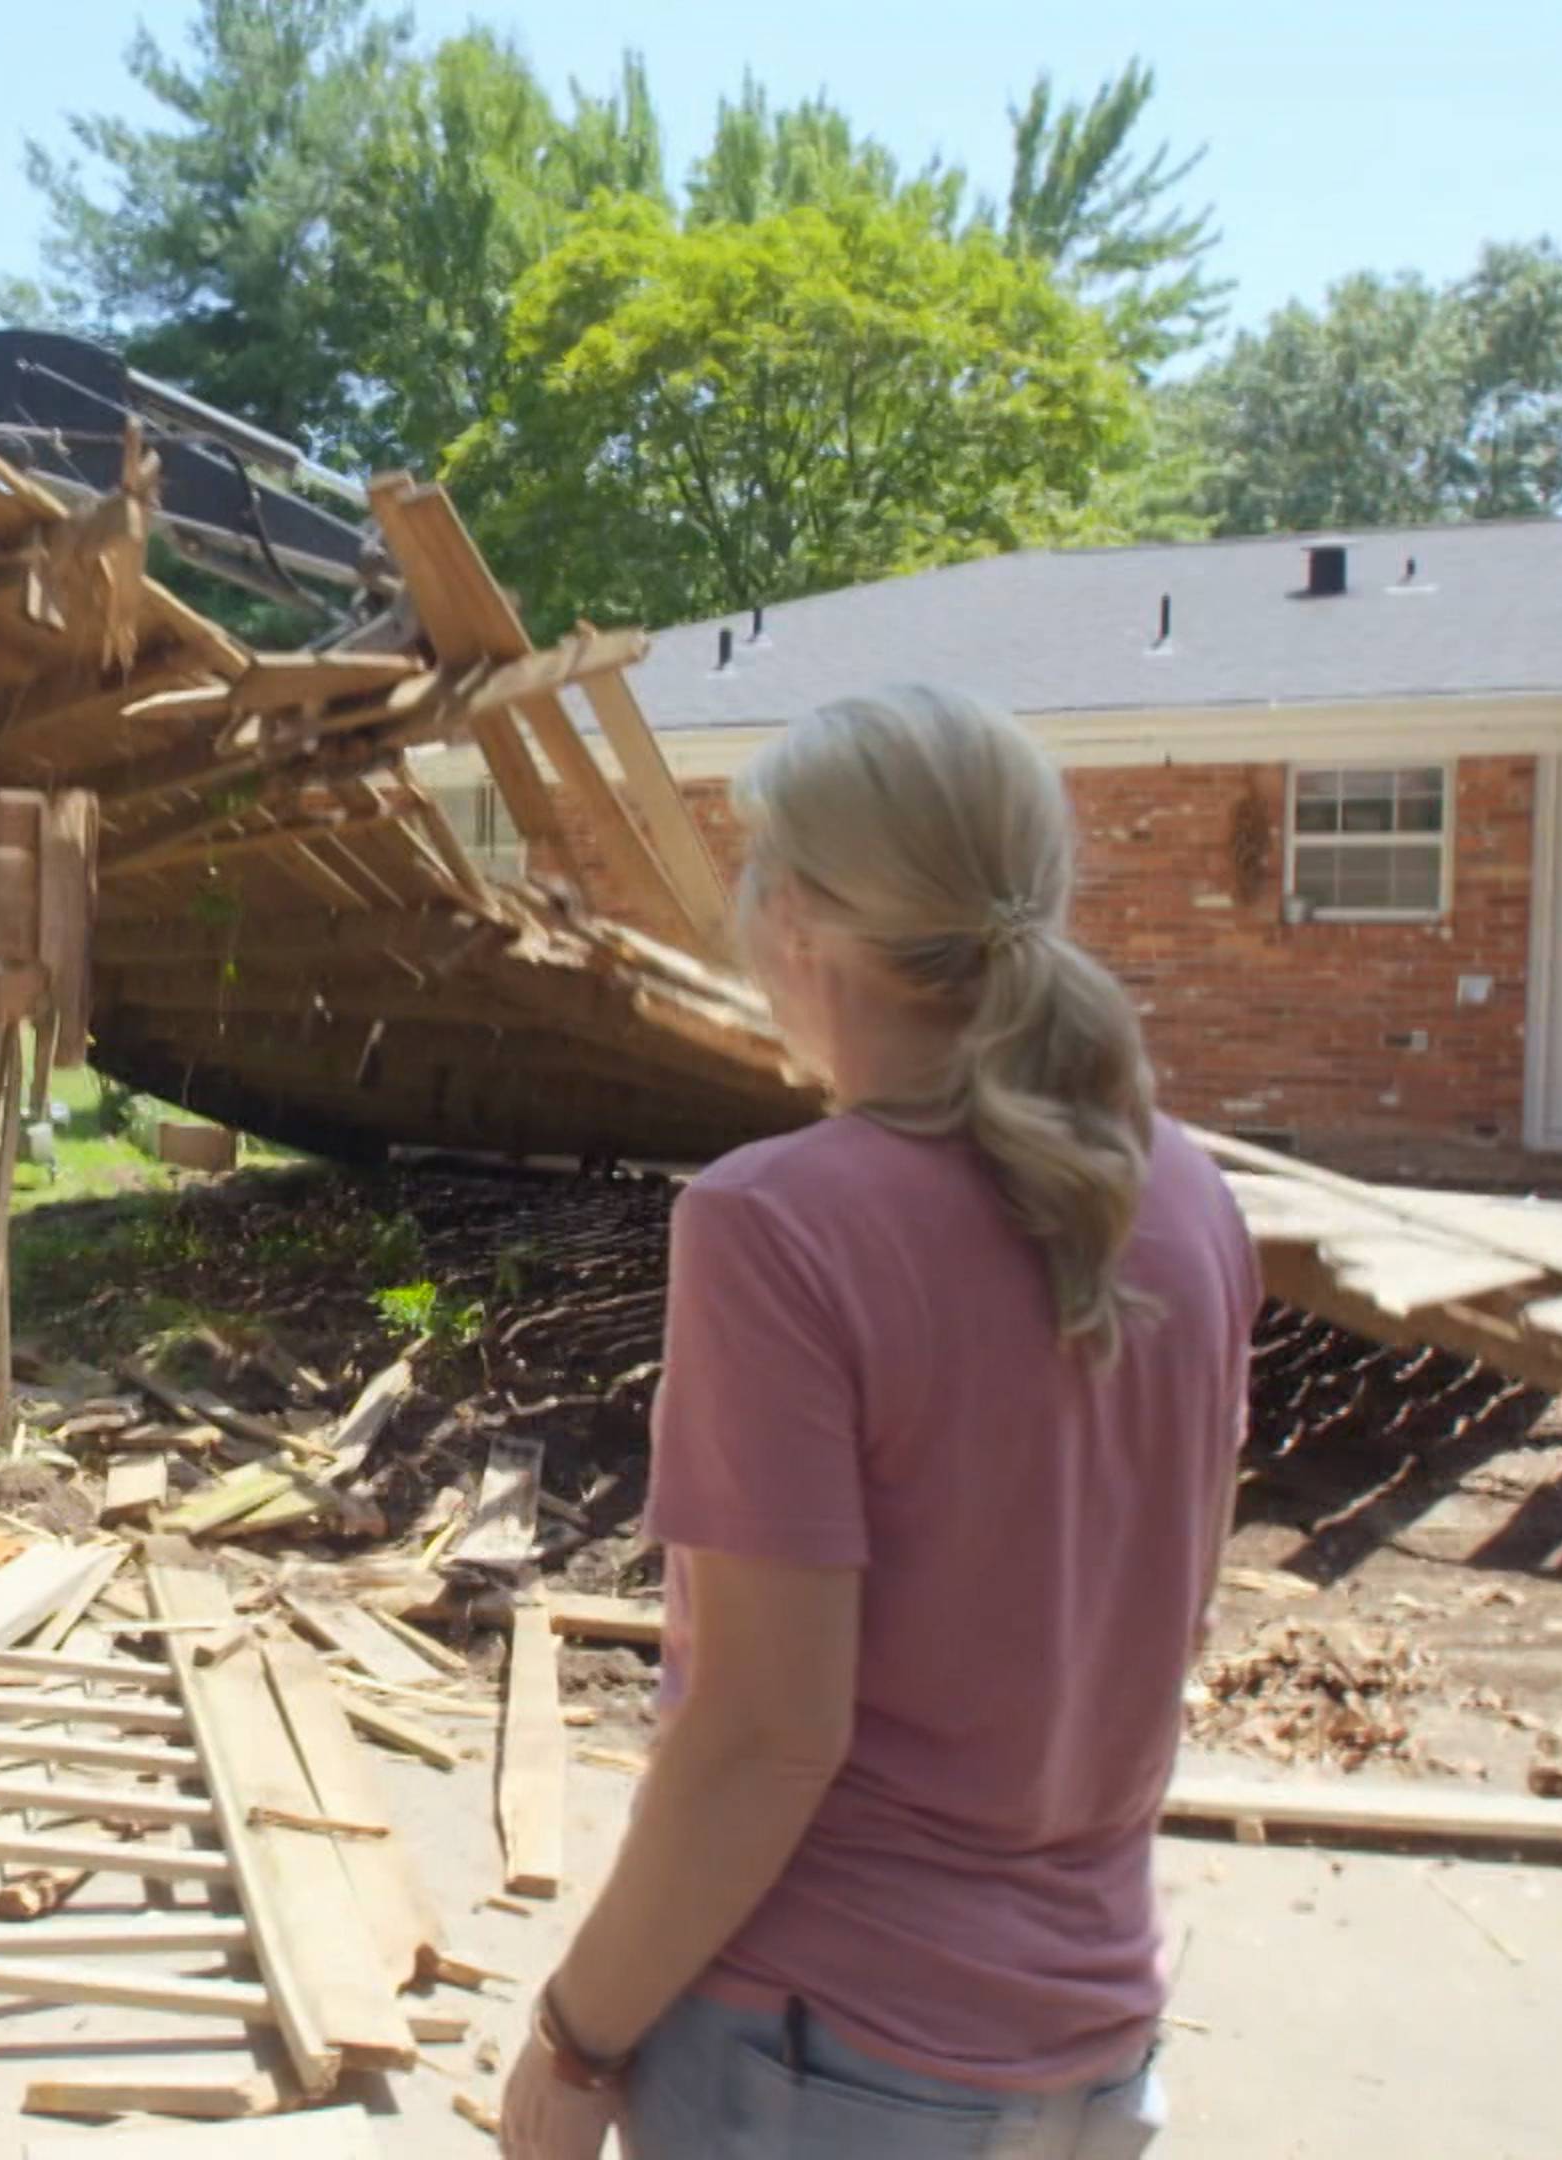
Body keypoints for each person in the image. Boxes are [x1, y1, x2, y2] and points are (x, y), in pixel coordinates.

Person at [498, 685, 1257, 2160]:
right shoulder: (1188, 1196)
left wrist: (574, 2036)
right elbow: (1168, 1626)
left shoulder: (775, 1225)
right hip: (1092, 2049)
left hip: (822, 2056)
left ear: (804, 925)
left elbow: (767, 1739)